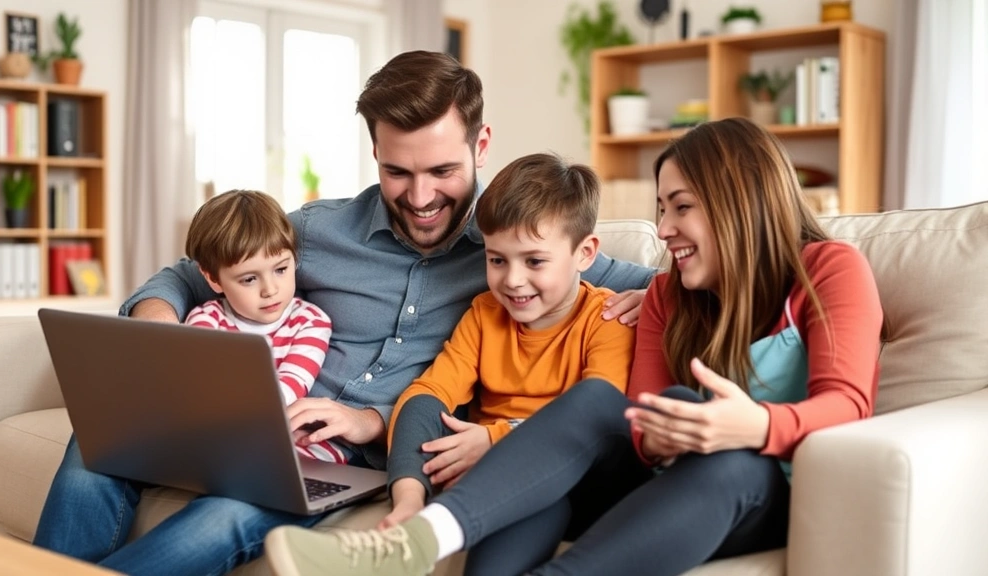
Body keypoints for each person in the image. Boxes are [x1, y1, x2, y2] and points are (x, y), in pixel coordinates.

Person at [32, 50, 656, 576]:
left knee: (224, 519)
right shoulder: (317, 230)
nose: (420, 197)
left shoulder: (516, 244)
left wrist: (656, 298)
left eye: (442, 170)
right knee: (95, 443)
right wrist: (160, 326)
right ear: (374, 152)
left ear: (481, 145)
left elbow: (673, 283)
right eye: (397, 171)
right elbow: (188, 273)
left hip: (343, 459)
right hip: (249, 425)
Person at [263, 117, 884, 576]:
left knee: (732, 461)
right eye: (662, 208)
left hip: (759, 492)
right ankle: (411, 544)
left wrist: (751, 426)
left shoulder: (828, 269)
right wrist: (666, 430)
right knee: (602, 410)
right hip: (655, 483)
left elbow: (849, 405)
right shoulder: (666, 294)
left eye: (682, 208)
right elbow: (634, 420)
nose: (664, 229)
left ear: (738, 204)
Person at [380, 152, 637, 530]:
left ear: (584, 254)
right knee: (422, 405)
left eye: (534, 261)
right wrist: (408, 499)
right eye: (497, 260)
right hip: (496, 490)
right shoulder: (485, 314)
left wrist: (495, 439)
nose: (513, 280)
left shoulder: (608, 319)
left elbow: (593, 420)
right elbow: (428, 395)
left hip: (575, 482)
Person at [183, 189, 343, 462]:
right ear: (212, 279)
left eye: (281, 269)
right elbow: (204, 393)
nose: (270, 290)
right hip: (226, 437)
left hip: (296, 441)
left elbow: (288, 390)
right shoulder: (205, 321)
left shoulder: (310, 322)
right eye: (249, 279)